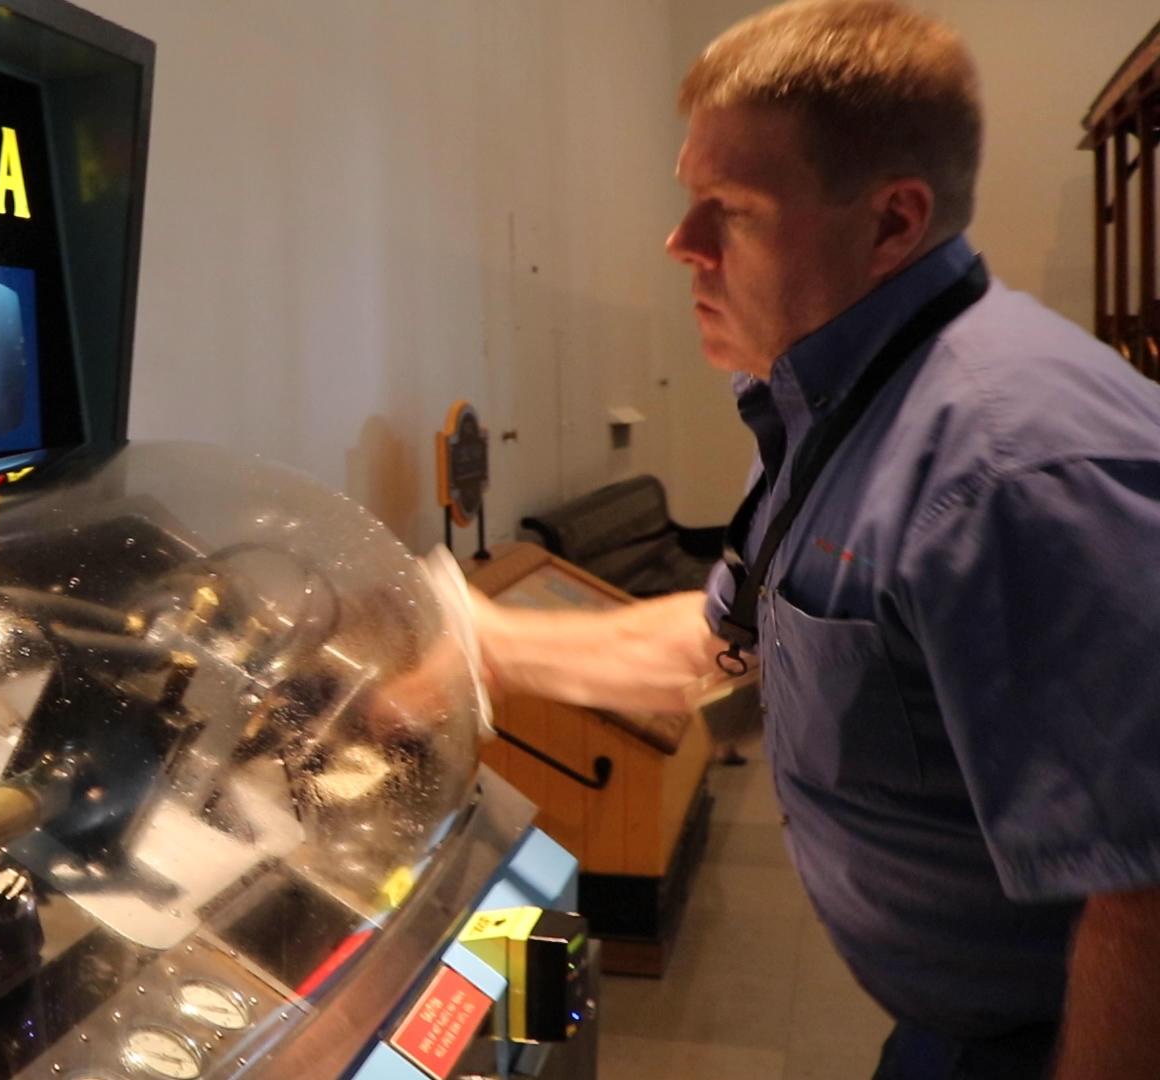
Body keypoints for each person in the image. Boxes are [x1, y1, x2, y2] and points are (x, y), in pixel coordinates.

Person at [466, 2, 1160, 1077]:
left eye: (730, 210)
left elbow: (1147, 897)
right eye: (689, 198)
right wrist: (473, 642)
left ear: (892, 222)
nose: (680, 244)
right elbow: (722, 638)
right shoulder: (831, 402)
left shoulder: (1008, 471)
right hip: (953, 1024)